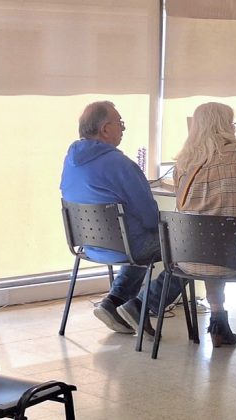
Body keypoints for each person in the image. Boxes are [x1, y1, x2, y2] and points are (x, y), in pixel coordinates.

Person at [60, 101, 181, 337]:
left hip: (89, 244)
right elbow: (149, 216)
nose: (123, 128)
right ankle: (143, 305)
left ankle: (113, 302)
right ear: (105, 129)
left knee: (135, 238)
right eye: (120, 123)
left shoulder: (71, 161)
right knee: (187, 249)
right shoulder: (120, 164)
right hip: (124, 246)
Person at [173, 102, 236, 349]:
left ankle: (218, 324)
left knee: (210, 247)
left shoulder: (183, 161)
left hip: (191, 256)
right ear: (225, 125)